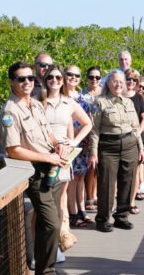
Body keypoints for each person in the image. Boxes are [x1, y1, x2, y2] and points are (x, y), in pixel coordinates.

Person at [0, 61, 72, 275]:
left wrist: (58, 145)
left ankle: (46, 269)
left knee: (52, 220)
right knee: (50, 223)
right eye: (22, 79)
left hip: (52, 167)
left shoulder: (36, 105)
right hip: (35, 173)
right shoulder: (10, 111)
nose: (28, 82)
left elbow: (46, 132)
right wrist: (46, 157)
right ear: (12, 82)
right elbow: (13, 150)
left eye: (31, 78)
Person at [40, 65, 92, 252]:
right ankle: (50, 243)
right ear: (45, 79)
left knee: (61, 199)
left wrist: (74, 142)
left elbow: (87, 123)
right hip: (42, 154)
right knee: (45, 201)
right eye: (50, 77)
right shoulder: (38, 100)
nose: (54, 80)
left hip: (63, 155)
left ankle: (62, 238)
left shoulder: (68, 102)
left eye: (58, 78)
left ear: (62, 81)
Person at [89, 70, 144, 232]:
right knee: (106, 184)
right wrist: (93, 152)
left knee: (128, 181)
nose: (118, 84)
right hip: (108, 147)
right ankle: (103, 220)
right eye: (114, 81)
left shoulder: (128, 102)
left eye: (121, 81)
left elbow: (135, 128)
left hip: (129, 145)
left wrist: (140, 148)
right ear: (107, 83)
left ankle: (122, 217)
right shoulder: (99, 103)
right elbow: (94, 130)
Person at [63, 65, 94, 228]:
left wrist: (87, 139)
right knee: (72, 178)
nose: (73, 78)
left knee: (81, 176)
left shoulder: (83, 98)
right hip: (68, 144)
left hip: (83, 143)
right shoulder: (61, 96)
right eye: (70, 74)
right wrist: (77, 133)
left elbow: (88, 120)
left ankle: (82, 210)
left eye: (77, 75)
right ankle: (72, 213)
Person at [124, 68, 144, 211]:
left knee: (136, 171)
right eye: (128, 79)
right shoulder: (118, 95)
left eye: (134, 79)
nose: (131, 82)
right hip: (121, 138)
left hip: (137, 137)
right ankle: (120, 203)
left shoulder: (139, 97)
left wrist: (138, 132)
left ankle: (131, 203)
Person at [81, 67, 102, 213]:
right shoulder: (82, 94)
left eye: (97, 77)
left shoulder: (105, 92)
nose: (94, 80)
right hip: (88, 135)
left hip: (103, 135)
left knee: (99, 168)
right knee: (90, 167)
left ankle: (96, 195)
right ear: (87, 78)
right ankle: (89, 197)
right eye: (91, 77)